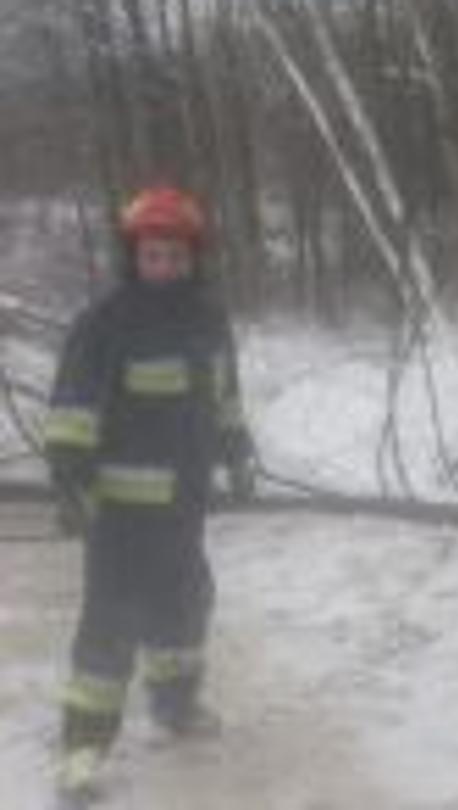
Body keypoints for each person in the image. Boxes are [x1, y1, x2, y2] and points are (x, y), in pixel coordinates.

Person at [43, 185, 254, 804]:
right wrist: (70, 480)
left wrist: (237, 453)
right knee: (111, 623)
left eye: (177, 256)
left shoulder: (209, 321)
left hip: (184, 509)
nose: (165, 267)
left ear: (195, 258)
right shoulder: (105, 325)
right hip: (121, 515)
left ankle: (175, 704)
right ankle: (83, 747)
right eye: (154, 255)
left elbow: (225, 400)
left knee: (186, 606)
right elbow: (72, 412)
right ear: (133, 254)